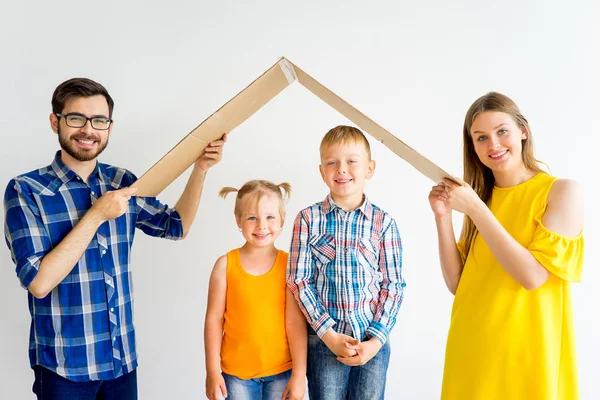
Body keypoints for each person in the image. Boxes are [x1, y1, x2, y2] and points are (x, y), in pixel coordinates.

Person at [3, 77, 226, 399]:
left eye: (99, 121)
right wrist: (96, 215)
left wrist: (201, 169)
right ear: (56, 122)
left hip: (121, 362)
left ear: (109, 126)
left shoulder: (122, 181)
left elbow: (176, 227)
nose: (88, 130)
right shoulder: (26, 190)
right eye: (76, 118)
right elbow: (38, 282)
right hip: (64, 368)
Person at [429, 92, 584, 399]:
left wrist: (475, 209)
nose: (494, 145)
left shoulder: (562, 192)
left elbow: (533, 277)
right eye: (481, 138)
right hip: (471, 346)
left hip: (526, 354)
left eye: (502, 131)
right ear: (472, 147)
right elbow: (458, 283)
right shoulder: (481, 199)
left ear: (522, 131)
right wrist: (442, 218)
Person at [287, 125, 405, 400]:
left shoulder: (384, 223)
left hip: (372, 341)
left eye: (352, 161)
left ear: (369, 168)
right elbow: (299, 281)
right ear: (322, 172)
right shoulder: (307, 219)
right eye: (332, 162)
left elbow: (393, 285)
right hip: (324, 340)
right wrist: (328, 335)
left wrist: (375, 340)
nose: (342, 169)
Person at [204, 180, 307, 400]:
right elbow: (214, 320)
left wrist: (299, 374)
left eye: (270, 217)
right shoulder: (225, 265)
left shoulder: (290, 266)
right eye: (252, 217)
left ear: (282, 221)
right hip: (236, 375)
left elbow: (295, 323)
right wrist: (212, 372)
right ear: (238, 220)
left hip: (282, 372)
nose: (261, 225)